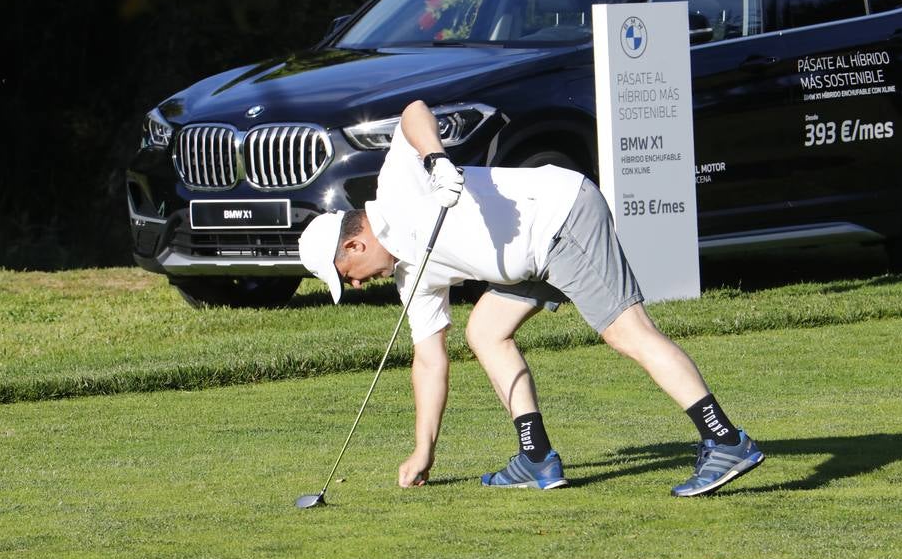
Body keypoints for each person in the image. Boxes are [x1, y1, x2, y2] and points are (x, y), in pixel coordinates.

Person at [298, 100, 762, 497]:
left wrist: (436, 159)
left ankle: (725, 441)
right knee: (485, 332)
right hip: (529, 260)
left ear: (354, 246)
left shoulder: (398, 191)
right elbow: (429, 361)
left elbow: (413, 113)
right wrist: (425, 449)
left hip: (562, 217)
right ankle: (536, 457)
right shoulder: (409, 279)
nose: (356, 286)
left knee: (628, 332)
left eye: (347, 277)